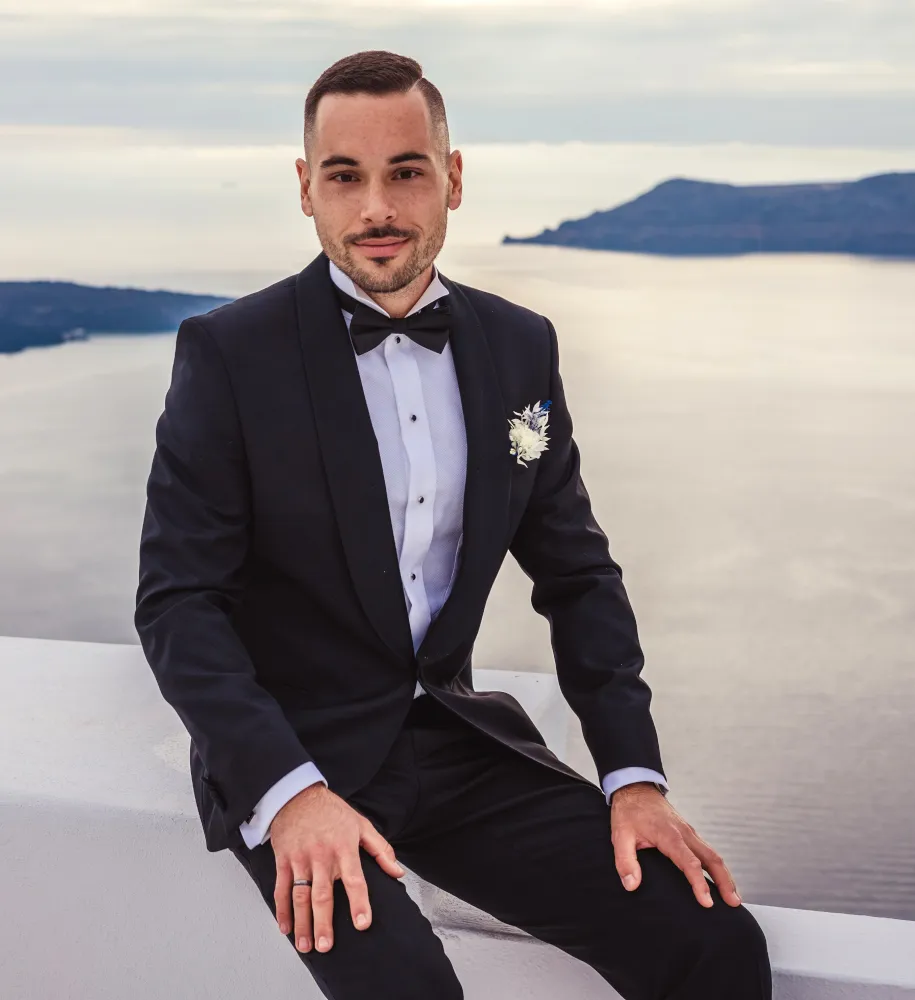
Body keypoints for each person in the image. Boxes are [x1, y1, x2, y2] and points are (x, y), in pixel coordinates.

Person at [135, 48, 772, 1000]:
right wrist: (290, 796)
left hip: (456, 744)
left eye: (406, 171)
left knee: (710, 939)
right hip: (297, 761)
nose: (377, 208)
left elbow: (577, 576)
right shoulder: (229, 355)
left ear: (453, 178)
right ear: (306, 190)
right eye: (344, 177)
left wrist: (633, 777)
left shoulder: (519, 346)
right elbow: (179, 604)